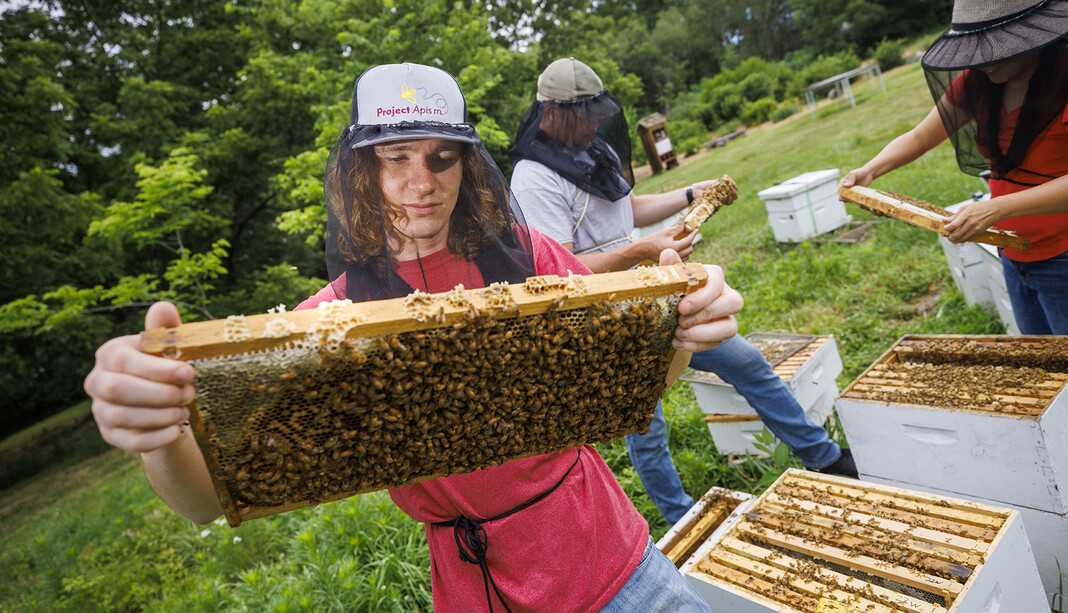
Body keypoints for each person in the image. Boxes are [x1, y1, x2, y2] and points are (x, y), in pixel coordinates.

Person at [83, 63, 747, 613]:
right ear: (362, 170)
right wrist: (160, 429)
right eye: (394, 157)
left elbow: (632, 389)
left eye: (440, 156)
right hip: (477, 587)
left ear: (466, 161)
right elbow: (204, 500)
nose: (419, 182)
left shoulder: (529, 256)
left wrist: (680, 332)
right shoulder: (330, 318)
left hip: (613, 561)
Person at [509, 57, 857, 525]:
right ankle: (683, 518)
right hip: (601, 316)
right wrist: (643, 250)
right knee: (646, 421)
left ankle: (825, 456)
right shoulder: (534, 177)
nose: (594, 122)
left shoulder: (594, 148)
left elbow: (630, 207)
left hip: (654, 293)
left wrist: (694, 193)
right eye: (583, 114)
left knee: (746, 362)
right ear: (549, 111)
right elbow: (563, 272)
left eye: (597, 112)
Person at [841, 0, 1068, 335]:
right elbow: (919, 137)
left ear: (1026, 37)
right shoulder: (981, 80)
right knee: (1048, 371)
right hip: (1014, 252)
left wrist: (995, 208)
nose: (980, 59)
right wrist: (869, 171)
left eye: (991, 47)